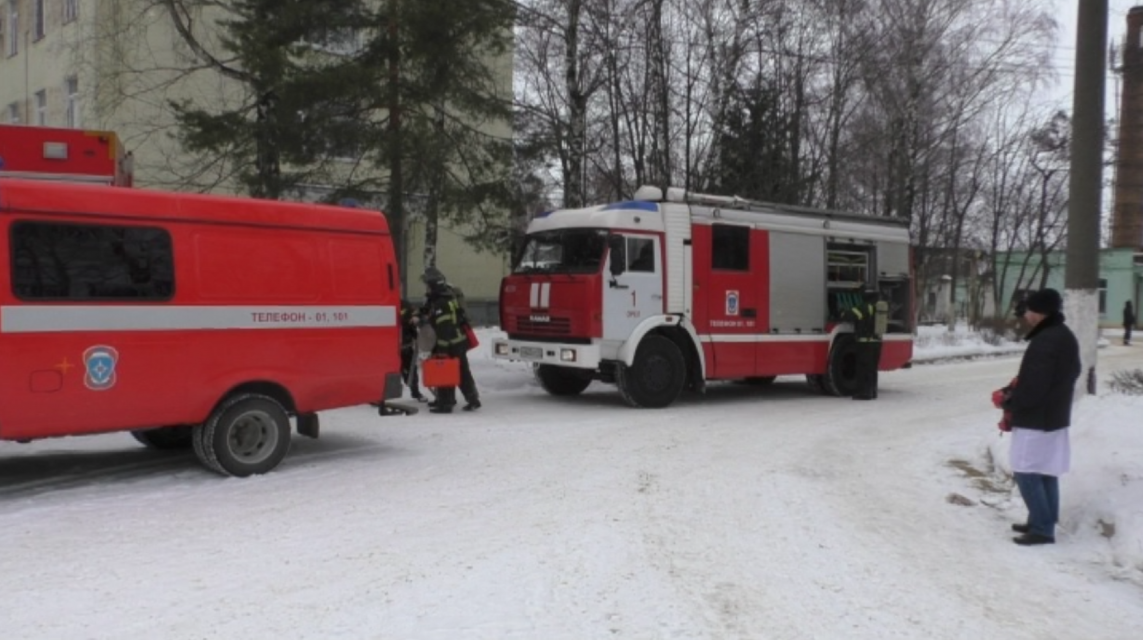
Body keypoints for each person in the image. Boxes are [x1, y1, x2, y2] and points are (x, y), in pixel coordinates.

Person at [1000, 288, 1081, 546]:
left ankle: (1043, 528)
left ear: (1038, 313)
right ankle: (1041, 519)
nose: (1025, 316)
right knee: (1045, 470)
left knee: (1025, 471)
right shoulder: (1063, 336)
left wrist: (1011, 400)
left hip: (1036, 418)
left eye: (1028, 311)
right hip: (1054, 415)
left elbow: (1035, 384)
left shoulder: (1046, 340)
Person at [421, 267, 480, 413]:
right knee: (461, 372)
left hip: (450, 343)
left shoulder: (441, 303)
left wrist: (442, 349)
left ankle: (446, 404)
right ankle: (472, 399)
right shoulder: (444, 298)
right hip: (457, 342)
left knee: (445, 370)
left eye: (428, 286)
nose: (427, 288)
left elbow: (444, 329)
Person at [841, 289, 885, 400]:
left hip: (865, 343)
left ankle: (864, 393)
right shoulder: (879, 307)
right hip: (877, 342)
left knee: (862, 368)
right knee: (872, 369)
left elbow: (849, 315)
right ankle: (872, 391)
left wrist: (842, 311)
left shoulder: (864, 307)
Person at [399, 299, 427, 402]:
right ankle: (380, 397)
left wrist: (417, 319)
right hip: (390, 347)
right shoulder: (386, 304)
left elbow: (419, 316)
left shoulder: (405, 304)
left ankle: (415, 392)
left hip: (406, 345)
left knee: (411, 370)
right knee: (388, 372)